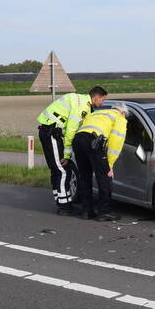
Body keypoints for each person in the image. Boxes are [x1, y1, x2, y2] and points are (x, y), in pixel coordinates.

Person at [36, 86, 108, 214]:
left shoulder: (81, 100)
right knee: (63, 169)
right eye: (102, 100)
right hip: (52, 133)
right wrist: (67, 155)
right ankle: (64, 206)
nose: (102, 103)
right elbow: (71, 131)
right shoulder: (82, 107)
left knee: (57, 169)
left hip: (49, 131)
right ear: (96, 97)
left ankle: (61, 200)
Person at [71, 101, 128, 222]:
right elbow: (116, 142)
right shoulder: (119, 118)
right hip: (93, 142)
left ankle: (86, 211)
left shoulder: (97, 113)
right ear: (123, 113)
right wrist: (110, 164)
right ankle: (104, 212)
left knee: (85, 176)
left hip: (78, 140)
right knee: (105, 177)